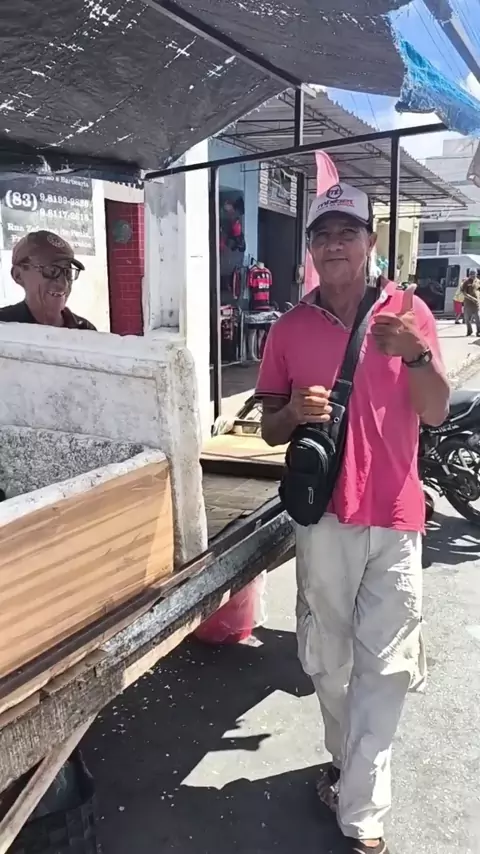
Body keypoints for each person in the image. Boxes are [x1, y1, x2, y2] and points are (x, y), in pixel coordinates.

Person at [255, 183, 449, 854]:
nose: (334, 244)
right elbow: (269, 429)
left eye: (347, 232)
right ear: (310, 248)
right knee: (329, 661)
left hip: (395, 514)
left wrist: (416, 354)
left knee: (386, 665)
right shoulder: (289, 328)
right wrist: (293, 413)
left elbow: (435, 412)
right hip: (325, 520)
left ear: (370, 242)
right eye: (322, 235)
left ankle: (363, 810)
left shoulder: (409, 313)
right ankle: (346, 763)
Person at [0, 230, 96, 329]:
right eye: (51, 270)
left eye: (67, 272)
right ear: (18, 275)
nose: (63, 284)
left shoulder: (85, 330)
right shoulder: (4, 327)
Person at [460, 272, 480, 337]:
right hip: (468, 304)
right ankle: (469, 331)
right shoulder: (466, 282)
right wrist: (471, 298)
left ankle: (479, 332)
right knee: (467, 319)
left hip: (476, 304)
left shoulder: (478, 281)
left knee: (478, 318)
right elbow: (463, 292)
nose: (473, 276)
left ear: (476, 274)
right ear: (469, 275)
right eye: (471, 274)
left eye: (474, 274)